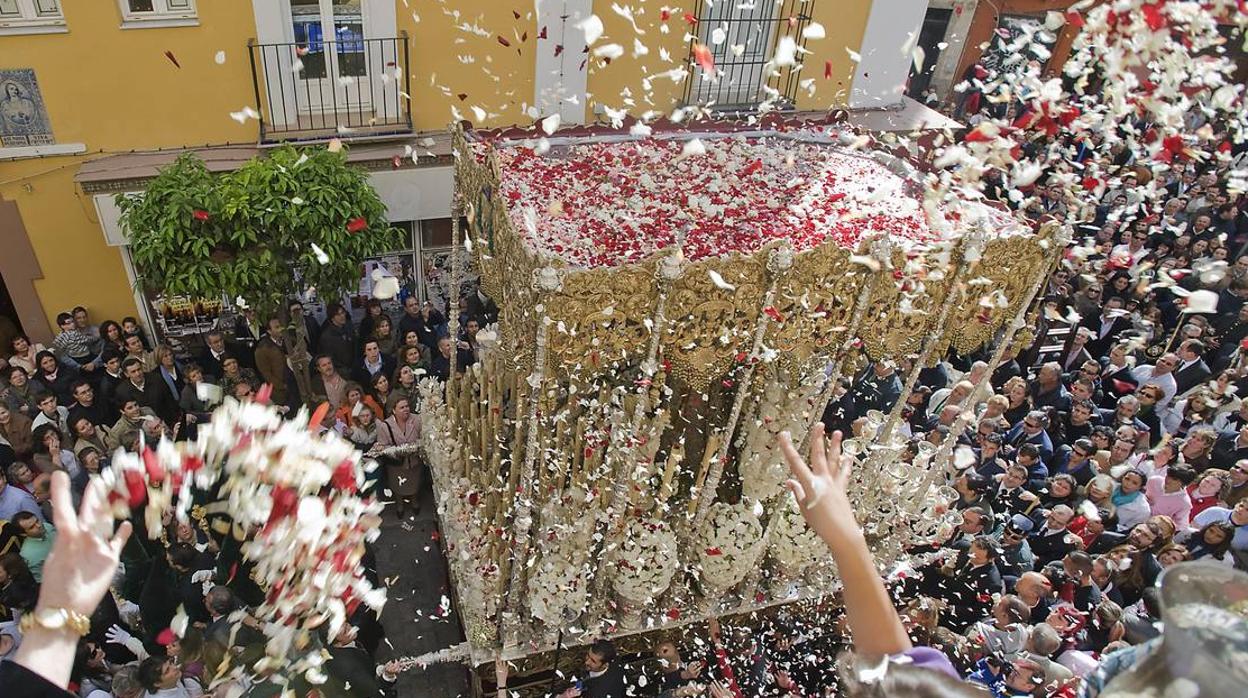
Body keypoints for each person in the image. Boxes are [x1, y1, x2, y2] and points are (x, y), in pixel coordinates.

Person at [371, 396, 422, 524]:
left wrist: (415, 447)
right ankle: (399, 505)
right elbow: (383, 445)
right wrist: (398, 451)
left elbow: (424, 436)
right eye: (402, 407)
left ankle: (415, 502)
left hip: (414, 460)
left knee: (414, 484)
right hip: (396, 463)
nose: (406, 409)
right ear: (394, 410)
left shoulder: (417, 419)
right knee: (398, 486)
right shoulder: (385, 425)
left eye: (407, 406)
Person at [559, 639, 627, 698]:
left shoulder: (596, 694)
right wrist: (578, 686)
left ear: (605, 665)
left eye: (593, 661)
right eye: (588, 655)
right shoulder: (611, 658)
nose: (587, 662)